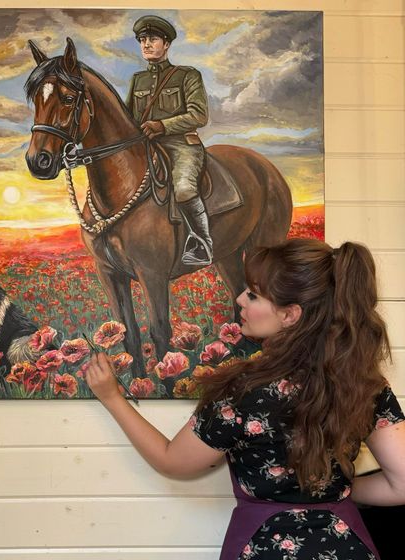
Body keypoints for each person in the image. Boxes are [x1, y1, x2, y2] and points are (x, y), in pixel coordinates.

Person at [85, 237, 405, 560]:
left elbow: (172, 460)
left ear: (290, 315)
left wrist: (112, 397)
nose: (240, 299)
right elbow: (402, 484)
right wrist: (341, 490)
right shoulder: (364, 384)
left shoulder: (243, 391)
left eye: (253, 294)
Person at [125, 15, 212, 266]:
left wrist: (163, 125)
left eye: (152, 39)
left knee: (184, 188)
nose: (146, 44)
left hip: (181, 145)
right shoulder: (137, 80)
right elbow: (129, 119)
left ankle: (202, 242)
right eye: (142, 40)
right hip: (145, 147)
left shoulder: (187, 75)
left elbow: (199, 115)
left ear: (167, 44)